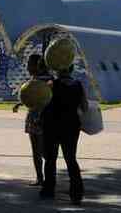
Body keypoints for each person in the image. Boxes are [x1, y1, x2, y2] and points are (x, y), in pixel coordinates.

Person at [40, 63, 88, 205]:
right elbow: (84, 107)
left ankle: (48, 189)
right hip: (71, 126)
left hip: (52, 126)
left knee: (50, 159)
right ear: (71, 69)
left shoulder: (51, 84)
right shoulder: (78, 85)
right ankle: (76, 193)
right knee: (71, 159)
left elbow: (43, 103)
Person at [12, 54, 52, 186]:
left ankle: (43, 178)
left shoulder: (45, 80)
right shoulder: (43, 79)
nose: (27, 66)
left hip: (40, 119)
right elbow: (31, 96)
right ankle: (44, 178)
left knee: (39, 150)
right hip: (39, 118)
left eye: (29, 63)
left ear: (37, 65)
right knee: (41, 150)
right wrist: (20, 103)